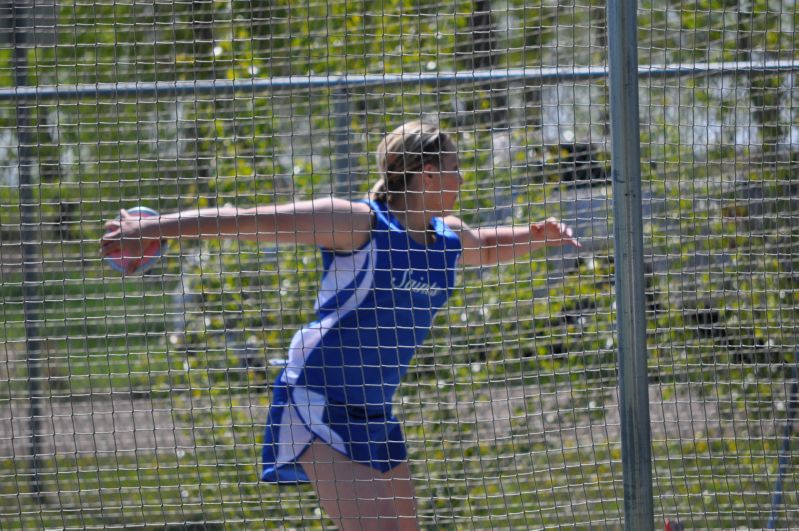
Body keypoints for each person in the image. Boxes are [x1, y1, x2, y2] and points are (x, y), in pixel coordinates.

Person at [101, 121, 580, 530]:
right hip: (317, 403)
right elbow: (249, 222)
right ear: (429, 175)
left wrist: (537, 236)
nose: (463, 177)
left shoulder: (448, 239)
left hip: (374, 412)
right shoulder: (359, 224)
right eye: (456, 168)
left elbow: (491, 248)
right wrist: (151, 228)